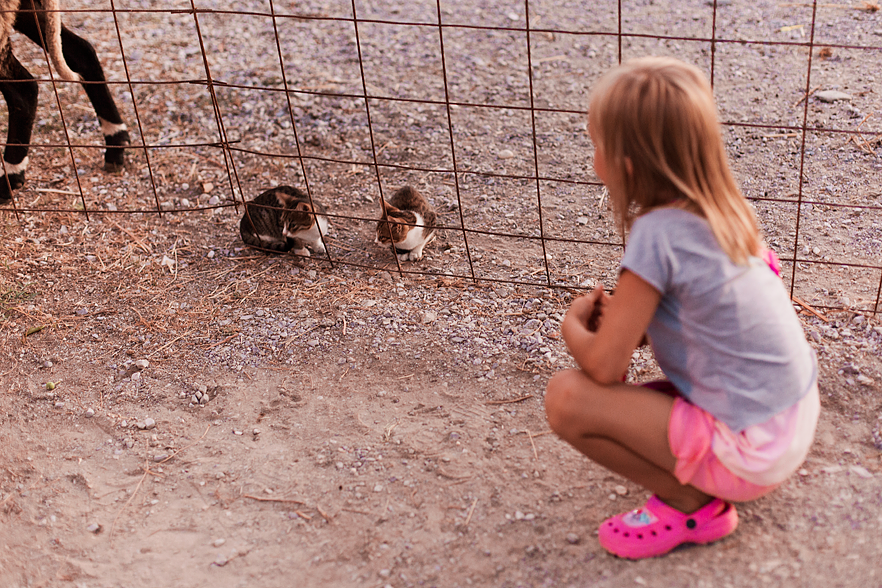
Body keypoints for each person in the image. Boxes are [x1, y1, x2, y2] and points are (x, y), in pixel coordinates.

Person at [544, 56, 819, 560]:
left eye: (596, 146)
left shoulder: (655, 235)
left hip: (752, 451)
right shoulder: (725, 209)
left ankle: (693, 503)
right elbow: (713, 320)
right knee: (628, 398)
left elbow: (607, 367)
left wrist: (572, 326)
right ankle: (706, 471)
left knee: (567, 397)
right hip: (790, 418)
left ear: (627, 163)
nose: (593, 160)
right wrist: (632, 323)